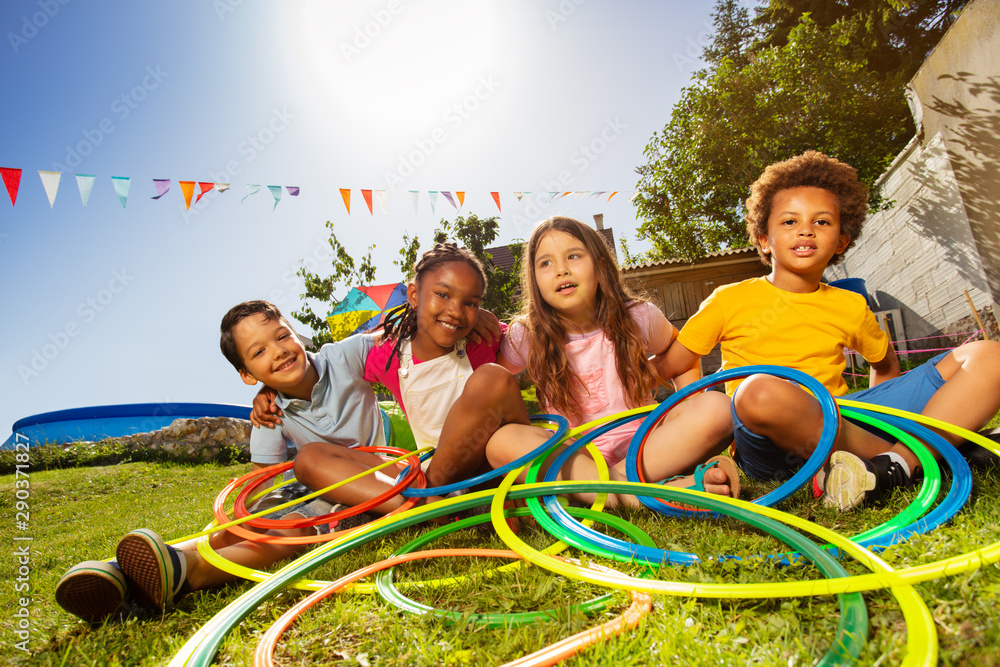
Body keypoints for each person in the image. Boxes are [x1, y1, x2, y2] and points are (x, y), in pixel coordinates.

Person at [656, 150, 1000, 510]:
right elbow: (672, 365)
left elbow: (885, 367)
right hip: (767, 441)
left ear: (841, 242)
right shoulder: (728, 299)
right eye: (789, 222)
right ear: (763, 239)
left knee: (989, 356)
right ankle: (941, 449)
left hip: (845, 417)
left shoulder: (850, 305)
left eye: (822, 222)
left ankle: (896, 465)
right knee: (757, 392)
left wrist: (872, 415)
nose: (805, 229)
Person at [55, 300, 405, 622]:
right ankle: (127, 571)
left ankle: (188, 572)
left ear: (297, 335)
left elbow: (394, 338)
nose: (280, 351)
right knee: (260, 516)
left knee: (297, 520)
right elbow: (262, 481)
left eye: (283, 336)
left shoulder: (345, 357)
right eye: (260, 351)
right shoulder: (268, 413)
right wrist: (250, 518)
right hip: (311, 484)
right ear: (248, 374)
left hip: (373, 479)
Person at [484, 216, 739, 508]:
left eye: (573, 256)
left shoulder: (638, 316)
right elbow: (495, 384)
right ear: (534, 280)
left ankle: (604, 492)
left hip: (646, 444)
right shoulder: (527, 334)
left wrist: (684, 406)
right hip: (573, 454)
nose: (561, 270)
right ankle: (646, 495)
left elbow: (681, 356)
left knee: (717, 408)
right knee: (500, 442)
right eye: (546, 263)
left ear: (600, 265)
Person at [251, 243, 527, 511]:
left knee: (491, 378)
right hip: (431, 467)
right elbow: (320, 369)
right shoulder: (387, 355)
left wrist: (482, 316)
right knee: (309, 456)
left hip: (487, 465)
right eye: (443, 295)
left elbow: (531, 339)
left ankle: (431, 499)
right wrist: (269, 388)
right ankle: (429, 503)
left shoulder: (483, 336)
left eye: (470, 302)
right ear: (414, 295)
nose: (455, 310)